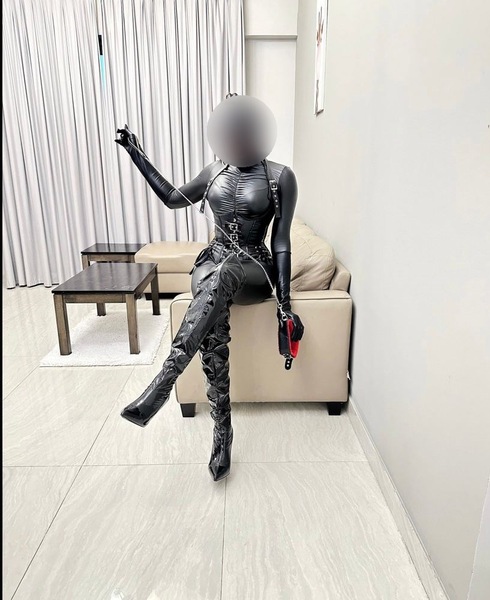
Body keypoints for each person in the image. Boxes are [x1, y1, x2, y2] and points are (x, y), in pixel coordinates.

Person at [115, 94, 304, 481]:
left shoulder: (280, 176)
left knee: (221, 274)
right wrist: (137, 154)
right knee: (212, 308)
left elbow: (281, 242)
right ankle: (222, 432)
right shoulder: (214, 171)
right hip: (213, 261)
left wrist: (284, 305)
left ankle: (163, 381)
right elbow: (173, 199)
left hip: (254, 268)